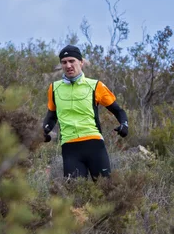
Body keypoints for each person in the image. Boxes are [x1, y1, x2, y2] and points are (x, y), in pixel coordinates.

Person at [42, 44, 129, 180]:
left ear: (81, 62)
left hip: (94, 144)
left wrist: (124, 124)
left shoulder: (95, 85)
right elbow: (52, 116)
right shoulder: (54, 88)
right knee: (74, 194)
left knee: (106, 191)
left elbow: (118, 110)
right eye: (64, 62)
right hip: (69, 147)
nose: (68, 65)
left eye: (72, 61)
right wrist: (43, 131)